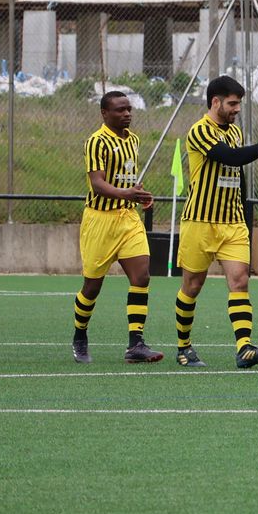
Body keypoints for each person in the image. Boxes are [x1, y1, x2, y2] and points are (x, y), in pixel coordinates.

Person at [171, 76, 258, 369]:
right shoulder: (200, 131)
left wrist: (242, 212)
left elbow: (236, 173)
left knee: (239, 280)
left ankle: (244, 348)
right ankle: (184, 347)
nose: (237, 109)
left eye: (238, 103)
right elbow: (232, 158)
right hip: (200, 222)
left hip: (233, 224)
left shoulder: (234, 132)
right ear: (216, 102)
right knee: (192, 285)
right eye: (232, 103)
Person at [70, 91, 161, 364]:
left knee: (142, 276)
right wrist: (127, 194)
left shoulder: (133, 140)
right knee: (92, 286)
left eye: (129, 109)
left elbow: (126, 179)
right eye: (120, 110)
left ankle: (136, 344)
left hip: (128, 218)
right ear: (104, 113)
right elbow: (97, 183)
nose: (127, 114)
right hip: (100, 220)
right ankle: (79, 335)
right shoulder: (96, 142)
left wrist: (139, 194)